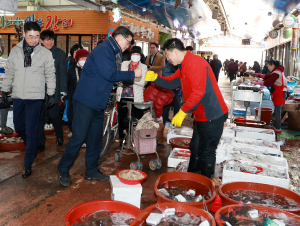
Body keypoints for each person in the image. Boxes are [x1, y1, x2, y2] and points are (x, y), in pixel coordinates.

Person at [57, 26, 142, 187]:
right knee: (79, 137)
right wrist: (132, 74)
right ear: (120, 38)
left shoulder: (112, 51)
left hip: (98, 102)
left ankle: (91, 170)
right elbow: (109, 74)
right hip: (87, 100)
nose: (128, 46)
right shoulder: (104, 50)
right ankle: (63, 168)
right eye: (128, 42)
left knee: (95, 138)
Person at [145, 38, 228, 179]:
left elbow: (198, 93)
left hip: (213, 115)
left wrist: (183, 111)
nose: (167, 59)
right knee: (195, 148)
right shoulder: (183, 65)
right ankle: (192, 180)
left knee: (207, 152)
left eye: (167, 55)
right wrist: (155, 78)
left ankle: (206, 187)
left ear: (175, 52)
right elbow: (172, 82)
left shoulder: (195, 63)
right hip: (201, 116)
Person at [2, 22, 56, 178]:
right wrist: (5, 89)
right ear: (24, 35)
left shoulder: (45, 53)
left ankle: (28, 163)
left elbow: (50, 74)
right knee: (19, 126)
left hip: (35, 97)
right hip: (18, 95)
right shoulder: (15, 51)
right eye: (30, 36)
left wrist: (51, 93)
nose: (34, 40)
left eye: (37, 36)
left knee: (32, 130)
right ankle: (32, 146)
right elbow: (10, 72)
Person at [37, 30, 67, 152]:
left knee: (54, 116)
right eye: (47, 40)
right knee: (39, 118)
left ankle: (60, 137)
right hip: (38, 92)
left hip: (54, 91)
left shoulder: (59, 54)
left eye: (52, 39)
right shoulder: (37, 53)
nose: (50, 42)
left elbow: (62, 74)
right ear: (41, 41)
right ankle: (40, 142)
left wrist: (62, 93)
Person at [118, 46, 147, 145]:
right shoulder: (124, 64)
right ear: (131, 55)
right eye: (134, 54)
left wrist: (128, 78)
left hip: (136, 96)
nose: (135, 56)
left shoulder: (143, 67)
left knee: (137, 119)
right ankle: (122, 140)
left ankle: (137, 141)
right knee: (122, 119)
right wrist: (133, 77)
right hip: (123, 95)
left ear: (140, 56)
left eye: (138, 54)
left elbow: (143, 82)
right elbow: (119, 77)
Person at [252, 60, 285, 133]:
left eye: (268, 66)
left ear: (273, 65)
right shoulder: (276, 71)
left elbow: (268, 82)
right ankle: (275, 126)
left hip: (280, 93)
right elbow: (268, 76)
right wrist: (259, 74)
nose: (268, 68)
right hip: (278, 92)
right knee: (277, 110)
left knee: (277, 111)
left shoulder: (276, 72)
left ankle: (278, 128)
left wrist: (258, 82)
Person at [67, 49, 90, 137]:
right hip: (74, 97)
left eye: (86, 58)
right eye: (82, 58)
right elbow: (67, 83)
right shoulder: (71, 69)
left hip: (88, 98)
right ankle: (75, 133)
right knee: (73, 116)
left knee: (85, 118)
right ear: (77, 59)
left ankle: (84, 137)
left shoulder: (91, 68)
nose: (84, 60)